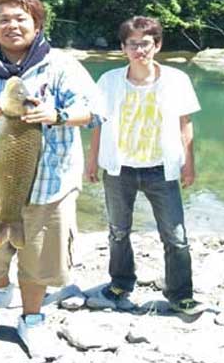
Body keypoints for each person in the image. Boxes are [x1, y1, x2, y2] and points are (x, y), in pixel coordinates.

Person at [0, 0, 103, 357]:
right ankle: (0, 287)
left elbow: (95, 112)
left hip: (52, 186)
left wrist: (57, 116)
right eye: (4, 20)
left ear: (37, 24)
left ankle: (31, 318)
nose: (12, 26)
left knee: (39, 258)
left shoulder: (62, 65)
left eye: (21, 19)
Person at [85, 16, 204, 314]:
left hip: (161, 168)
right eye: (133, 44)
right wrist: (92, 161)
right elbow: (97, 123)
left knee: (175, 236)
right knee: (118, 231)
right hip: (118, 167)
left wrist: (189, 165)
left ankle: (180, 293)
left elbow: (185, 124)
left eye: (146, 43)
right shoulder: (109, 80)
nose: (140, 50)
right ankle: (121, 282)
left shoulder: (177, 80)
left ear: (158, 45)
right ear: (123, 48)